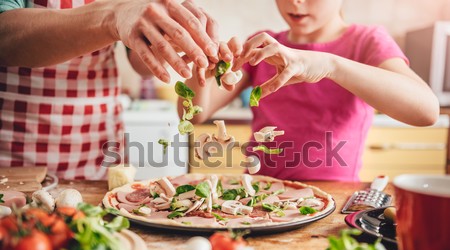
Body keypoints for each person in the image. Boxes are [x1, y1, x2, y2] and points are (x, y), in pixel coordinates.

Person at [179, 0, 440, 181]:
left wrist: (330, 65)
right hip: (261, 191)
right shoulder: (265, 43)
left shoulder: (366, 42)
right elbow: (192, 117)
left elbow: (426, 110)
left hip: (333, 197)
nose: (295, 2)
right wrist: (202, 70)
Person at [0, 0, 219, 179]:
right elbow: (5, 37)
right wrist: (112, 16)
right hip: (15, 159)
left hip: (101, 154)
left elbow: (140, 63)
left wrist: (165, 39)